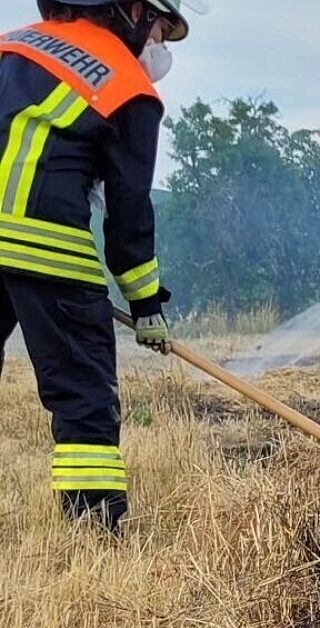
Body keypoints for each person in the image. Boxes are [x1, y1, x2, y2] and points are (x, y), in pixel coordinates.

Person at [0, 0, 188, 531]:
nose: (159, 45)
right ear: (131, 11)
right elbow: (128, 216)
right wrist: (147, 306)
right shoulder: (129, 85)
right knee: (83, 395)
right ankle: (94, 526)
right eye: (159, 29)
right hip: (47, 246)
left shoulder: (13, 44)